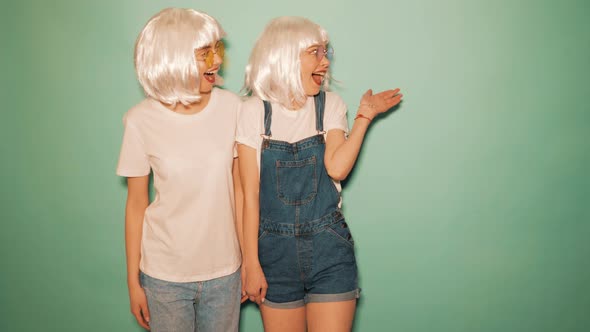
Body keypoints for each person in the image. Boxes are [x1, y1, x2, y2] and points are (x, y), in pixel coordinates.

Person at [237, 16, 403, 331]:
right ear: (285, 57)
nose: (325, 62)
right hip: (273, 255)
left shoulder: (330, 106)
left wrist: (364, 117)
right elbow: (248, 195)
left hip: (329, 249)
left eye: (325, 52)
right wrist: (250, 263)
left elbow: (337, 167)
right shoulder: (252, 112)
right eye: (315, 52)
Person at [116, 8, 244, 331]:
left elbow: (241, 190)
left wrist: (247, 261)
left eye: (217, 50)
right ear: (173, 57)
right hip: (163, 278)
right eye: (205, 53)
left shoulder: (233, 109)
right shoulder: (139, 121)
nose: (216, 60)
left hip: (225, 274)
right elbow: (136, 206)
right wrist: (133, 283)